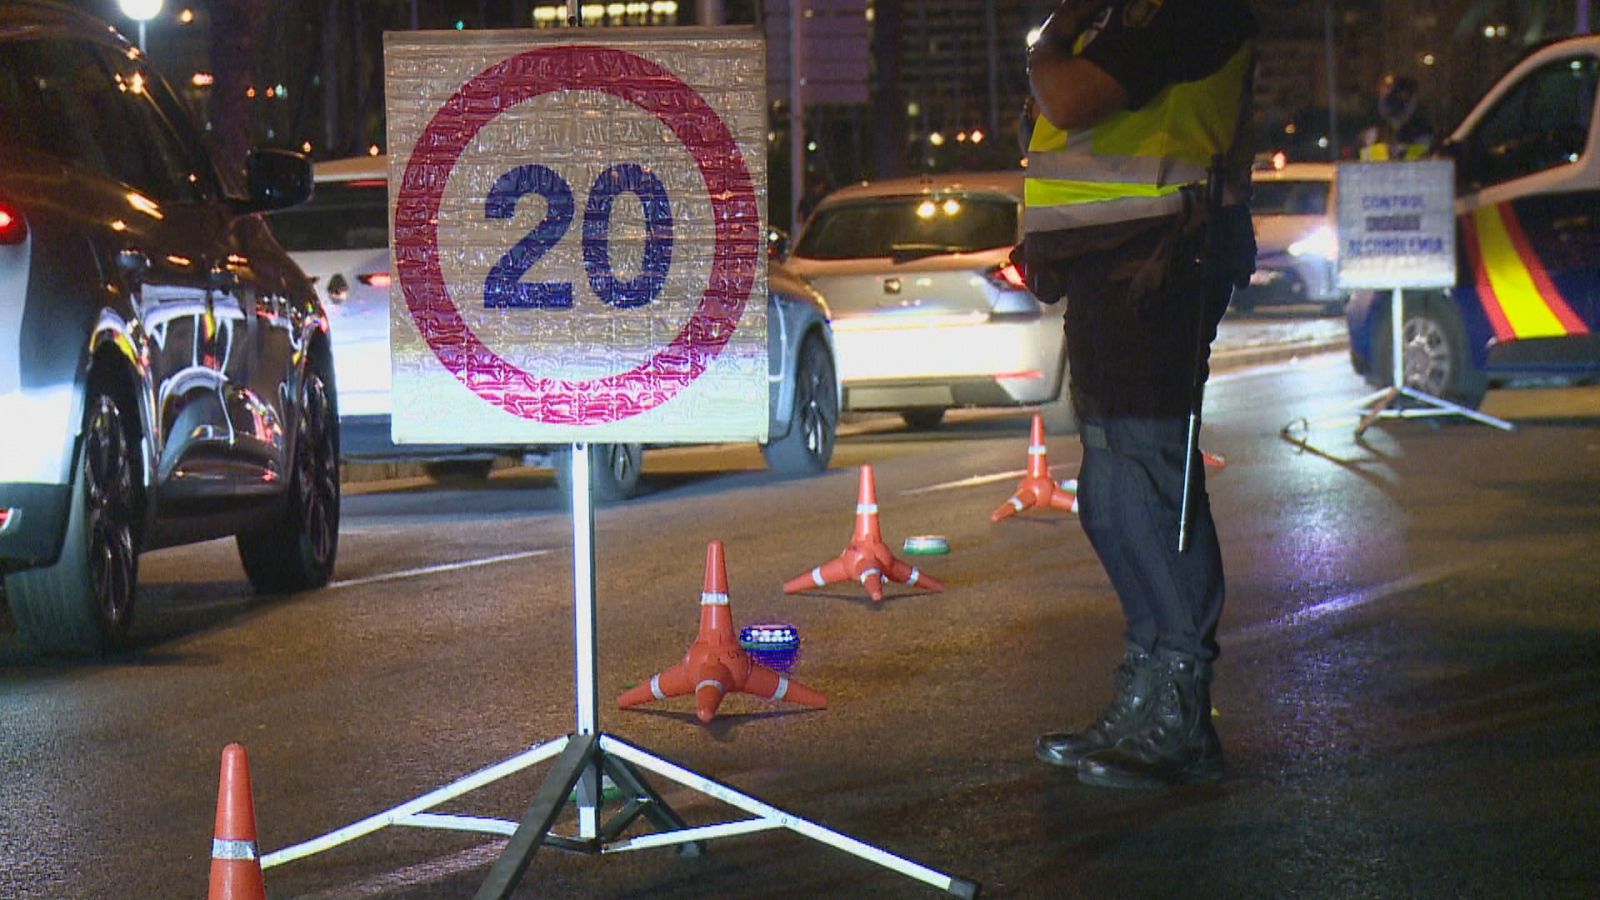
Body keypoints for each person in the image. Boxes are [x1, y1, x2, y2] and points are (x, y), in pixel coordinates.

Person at [1018, 0, 1258, 789]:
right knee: (1114, 491)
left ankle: (1180, 715)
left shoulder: (1178, 12)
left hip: (1164, 260)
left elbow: (1069, 98)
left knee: (1151, 483)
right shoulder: (1120, 17)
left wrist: (1052, 37)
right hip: (1115, 262)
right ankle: (1146, 692)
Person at [1359, 73, 1433, 161]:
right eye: (1386, 96)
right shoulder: (1371, 132)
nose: (1394, 101)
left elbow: (1426, 159)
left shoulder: (1422, 132)